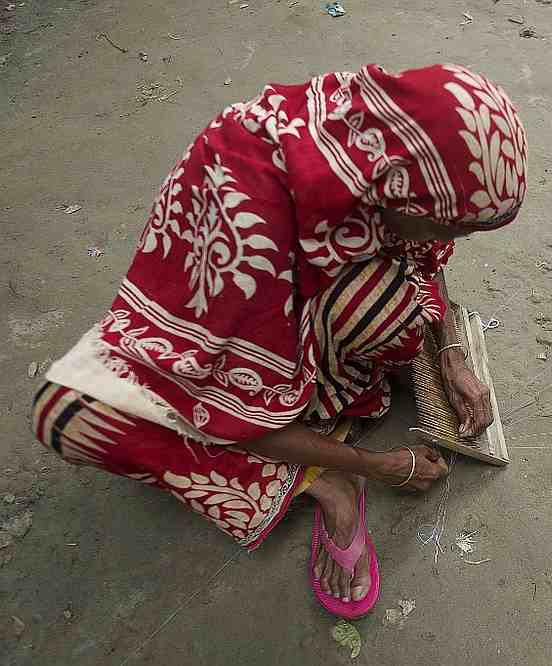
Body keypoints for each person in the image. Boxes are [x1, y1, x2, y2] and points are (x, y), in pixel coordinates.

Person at [30, 63, 527, 619]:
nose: (447, 241)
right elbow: (234, 421)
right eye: (446, 225)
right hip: (206, 352)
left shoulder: (367, 143)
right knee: (70, 417)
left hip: (295, 316)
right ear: (401, 191)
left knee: (400, 317)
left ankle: (324, 413)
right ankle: (328, 483)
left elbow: (420, 259)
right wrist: (376, 465)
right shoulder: (249, 223)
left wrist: (451, 353)